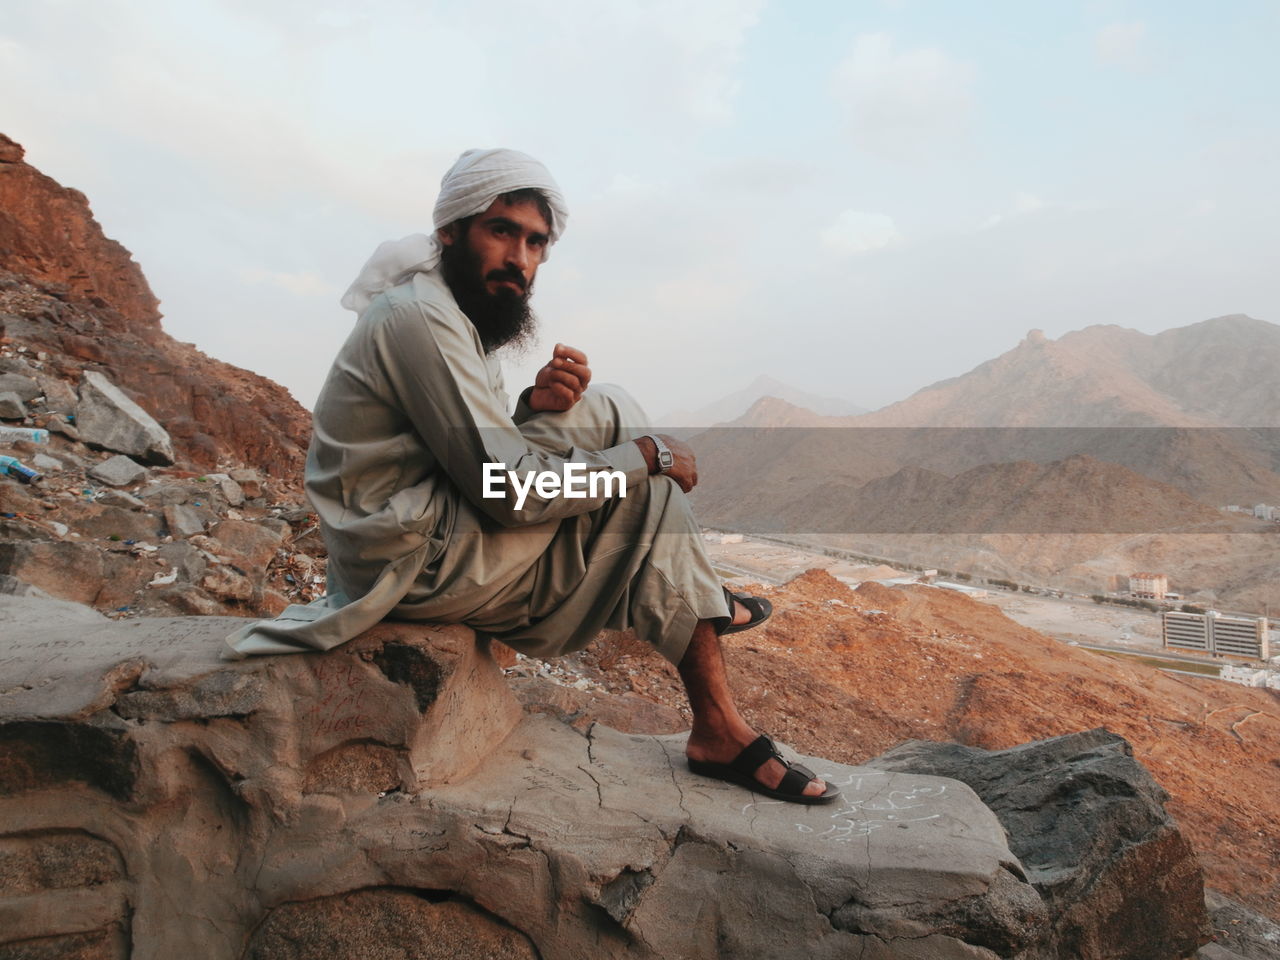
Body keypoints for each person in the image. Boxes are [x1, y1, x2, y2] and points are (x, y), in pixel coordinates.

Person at [224, 148, 836, 805]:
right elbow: (511, 491)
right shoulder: (419, 319)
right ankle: (717, 724)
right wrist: (648, 457)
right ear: (451, 231)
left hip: (429, 528)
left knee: (603, 405)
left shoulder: (448, 313)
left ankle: (699, 599)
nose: (521, 258)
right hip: (412, 564)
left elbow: (467, 453)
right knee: (645, 484)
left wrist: (531, 413)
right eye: (502, 232)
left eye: (536, 242)